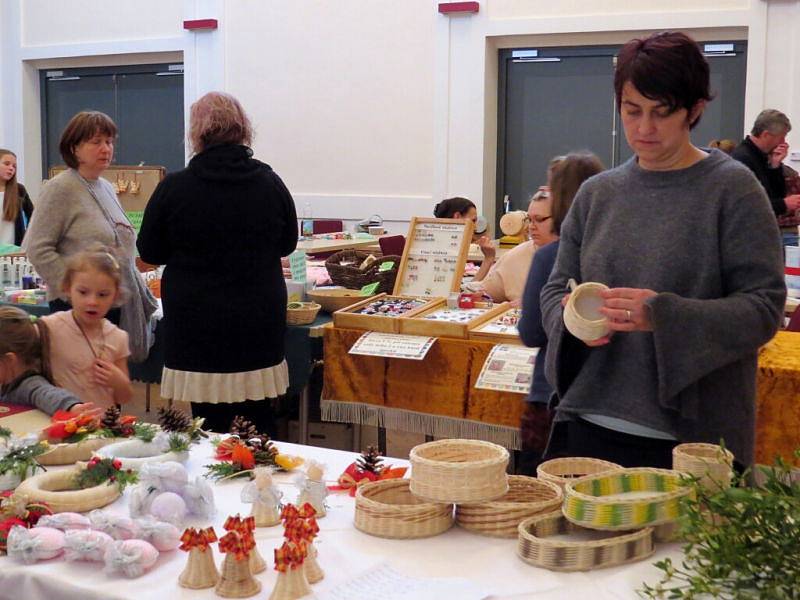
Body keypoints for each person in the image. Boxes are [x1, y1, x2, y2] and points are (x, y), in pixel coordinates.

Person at [539, 31, 784, 469]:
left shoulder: (733, 190)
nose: (644, 128)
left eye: (661, 112)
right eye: (632, 111)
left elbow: (764, 309)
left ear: (695, 111)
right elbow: (556, 288)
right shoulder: (597, 194)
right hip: (587, 423)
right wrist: (573, 320)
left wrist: (661, 315)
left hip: (691, 440)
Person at [137, 91, 298, 434]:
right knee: (258, 416)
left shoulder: (175, 187)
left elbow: (149, 251)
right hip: (257, 315)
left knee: (207, 418)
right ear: (244, 131)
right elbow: (288, 244)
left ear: (197, 134)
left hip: (197, 319)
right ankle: (263, 477)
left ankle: (214, 479)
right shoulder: (270, 184)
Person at [22, 111, 157, 362]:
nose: (105, 148)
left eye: (109, 141)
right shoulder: (60, 188)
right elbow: (37, 248)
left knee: (106, 385)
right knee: (82, 385)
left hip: (110, 304)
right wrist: (76, 290)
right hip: (76, 309)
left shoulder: (105, 187)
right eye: (96, 142)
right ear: (74, 148)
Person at [516, 152, 604, 474]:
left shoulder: (549, 256)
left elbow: (531, 332)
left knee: (541, 485)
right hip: (601, 395)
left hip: (553, 390)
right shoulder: (610, 249)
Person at [41, 245, 132, 409]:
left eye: (103, 294)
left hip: (101, 428)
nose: (93, 302)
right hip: (62, 424)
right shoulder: (50, 327)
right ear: (67, 288)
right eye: (83, 292)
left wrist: (119, 381)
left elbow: (123, 398)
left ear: (115, 295)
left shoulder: (118, 337)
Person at [0, 306, 99, 416]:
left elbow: (50, 395)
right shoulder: (5, 379)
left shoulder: (29, 385)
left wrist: (71, 407)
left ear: (10, 360)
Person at [731, 109, 800, 218]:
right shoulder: (742, 159)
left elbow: (776, 195)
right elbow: (746, 206)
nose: (783, 142)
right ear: (766, 135)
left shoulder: (761, 157)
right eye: (781, 137)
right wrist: (783, 204)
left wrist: (775, 166)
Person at [434, 197, 495, 281]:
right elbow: (467, 290)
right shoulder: (444, 251)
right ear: (457, 217)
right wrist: (489, 258)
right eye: (473, 221)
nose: (475, 227)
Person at [0, 149, 34, 246]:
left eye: (14, 166)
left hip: (13, 252)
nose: (11, 168)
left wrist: (27, 239)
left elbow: (33, 217)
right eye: (6, 164)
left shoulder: (19, 190)